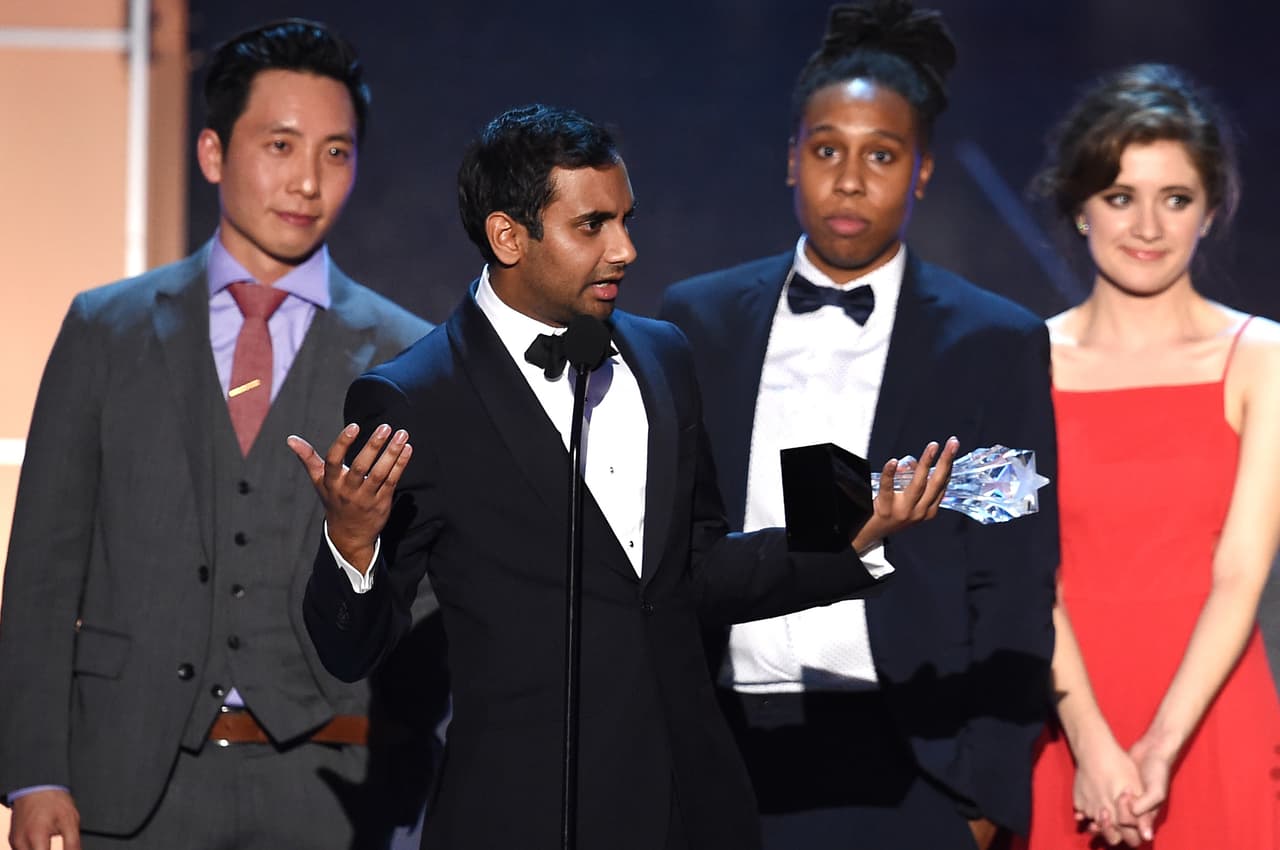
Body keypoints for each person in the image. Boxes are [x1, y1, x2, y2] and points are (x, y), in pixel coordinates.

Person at [287, 103, 957, 850]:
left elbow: (700, 569)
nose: (626, 249)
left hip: (690, 809)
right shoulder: (416, 396)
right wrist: (350, 545)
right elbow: (352, 650)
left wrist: (852, 530)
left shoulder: (663, 355)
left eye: (626, 220)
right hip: (524, 817)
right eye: (592, 225)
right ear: (508, 236)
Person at [0, 19, 436, 850]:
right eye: (280, 145)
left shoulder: (408, 354)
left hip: (333, 784)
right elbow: (44, 569)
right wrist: (35, 771)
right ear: (212, 153)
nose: (306, 180)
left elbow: (424, 598)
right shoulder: (105, 329)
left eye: (336, 152)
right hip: (130, 779)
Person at [658, 2, 1059, 848]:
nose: (849, 179)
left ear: (921, 171)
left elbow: (1015, 580)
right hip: (721, 747)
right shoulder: (698, 322)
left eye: (880, 154)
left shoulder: (993, 343)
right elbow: (663, 550)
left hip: (911, 756)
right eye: (826, 150)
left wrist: (982, 801)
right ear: (791, 159)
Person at [1020, 63, 1280, 849]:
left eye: (1175, 199)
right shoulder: (1018, 361)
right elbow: (1025, 572)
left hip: (1211, 726)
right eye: (1119, 197)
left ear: (1210, 211)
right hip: (1065, 722)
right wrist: (1093, 746)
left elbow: (1241, 574)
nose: (1147, 227)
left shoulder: (1262, 357)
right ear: (1080, 206)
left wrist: (1160, 747)